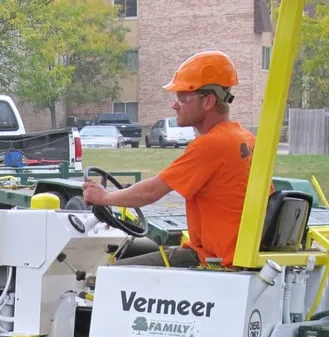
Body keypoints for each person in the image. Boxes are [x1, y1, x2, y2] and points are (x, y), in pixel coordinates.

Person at [82, 50, 257, 268]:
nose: (175, 105)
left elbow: (152, 191)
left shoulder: (211, 145)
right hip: (234, 254)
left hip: (215, 261)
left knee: (112, 274)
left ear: (209, 102)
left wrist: (105, 197)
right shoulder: (246, 139)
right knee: (133, 253)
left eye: (183, 98)